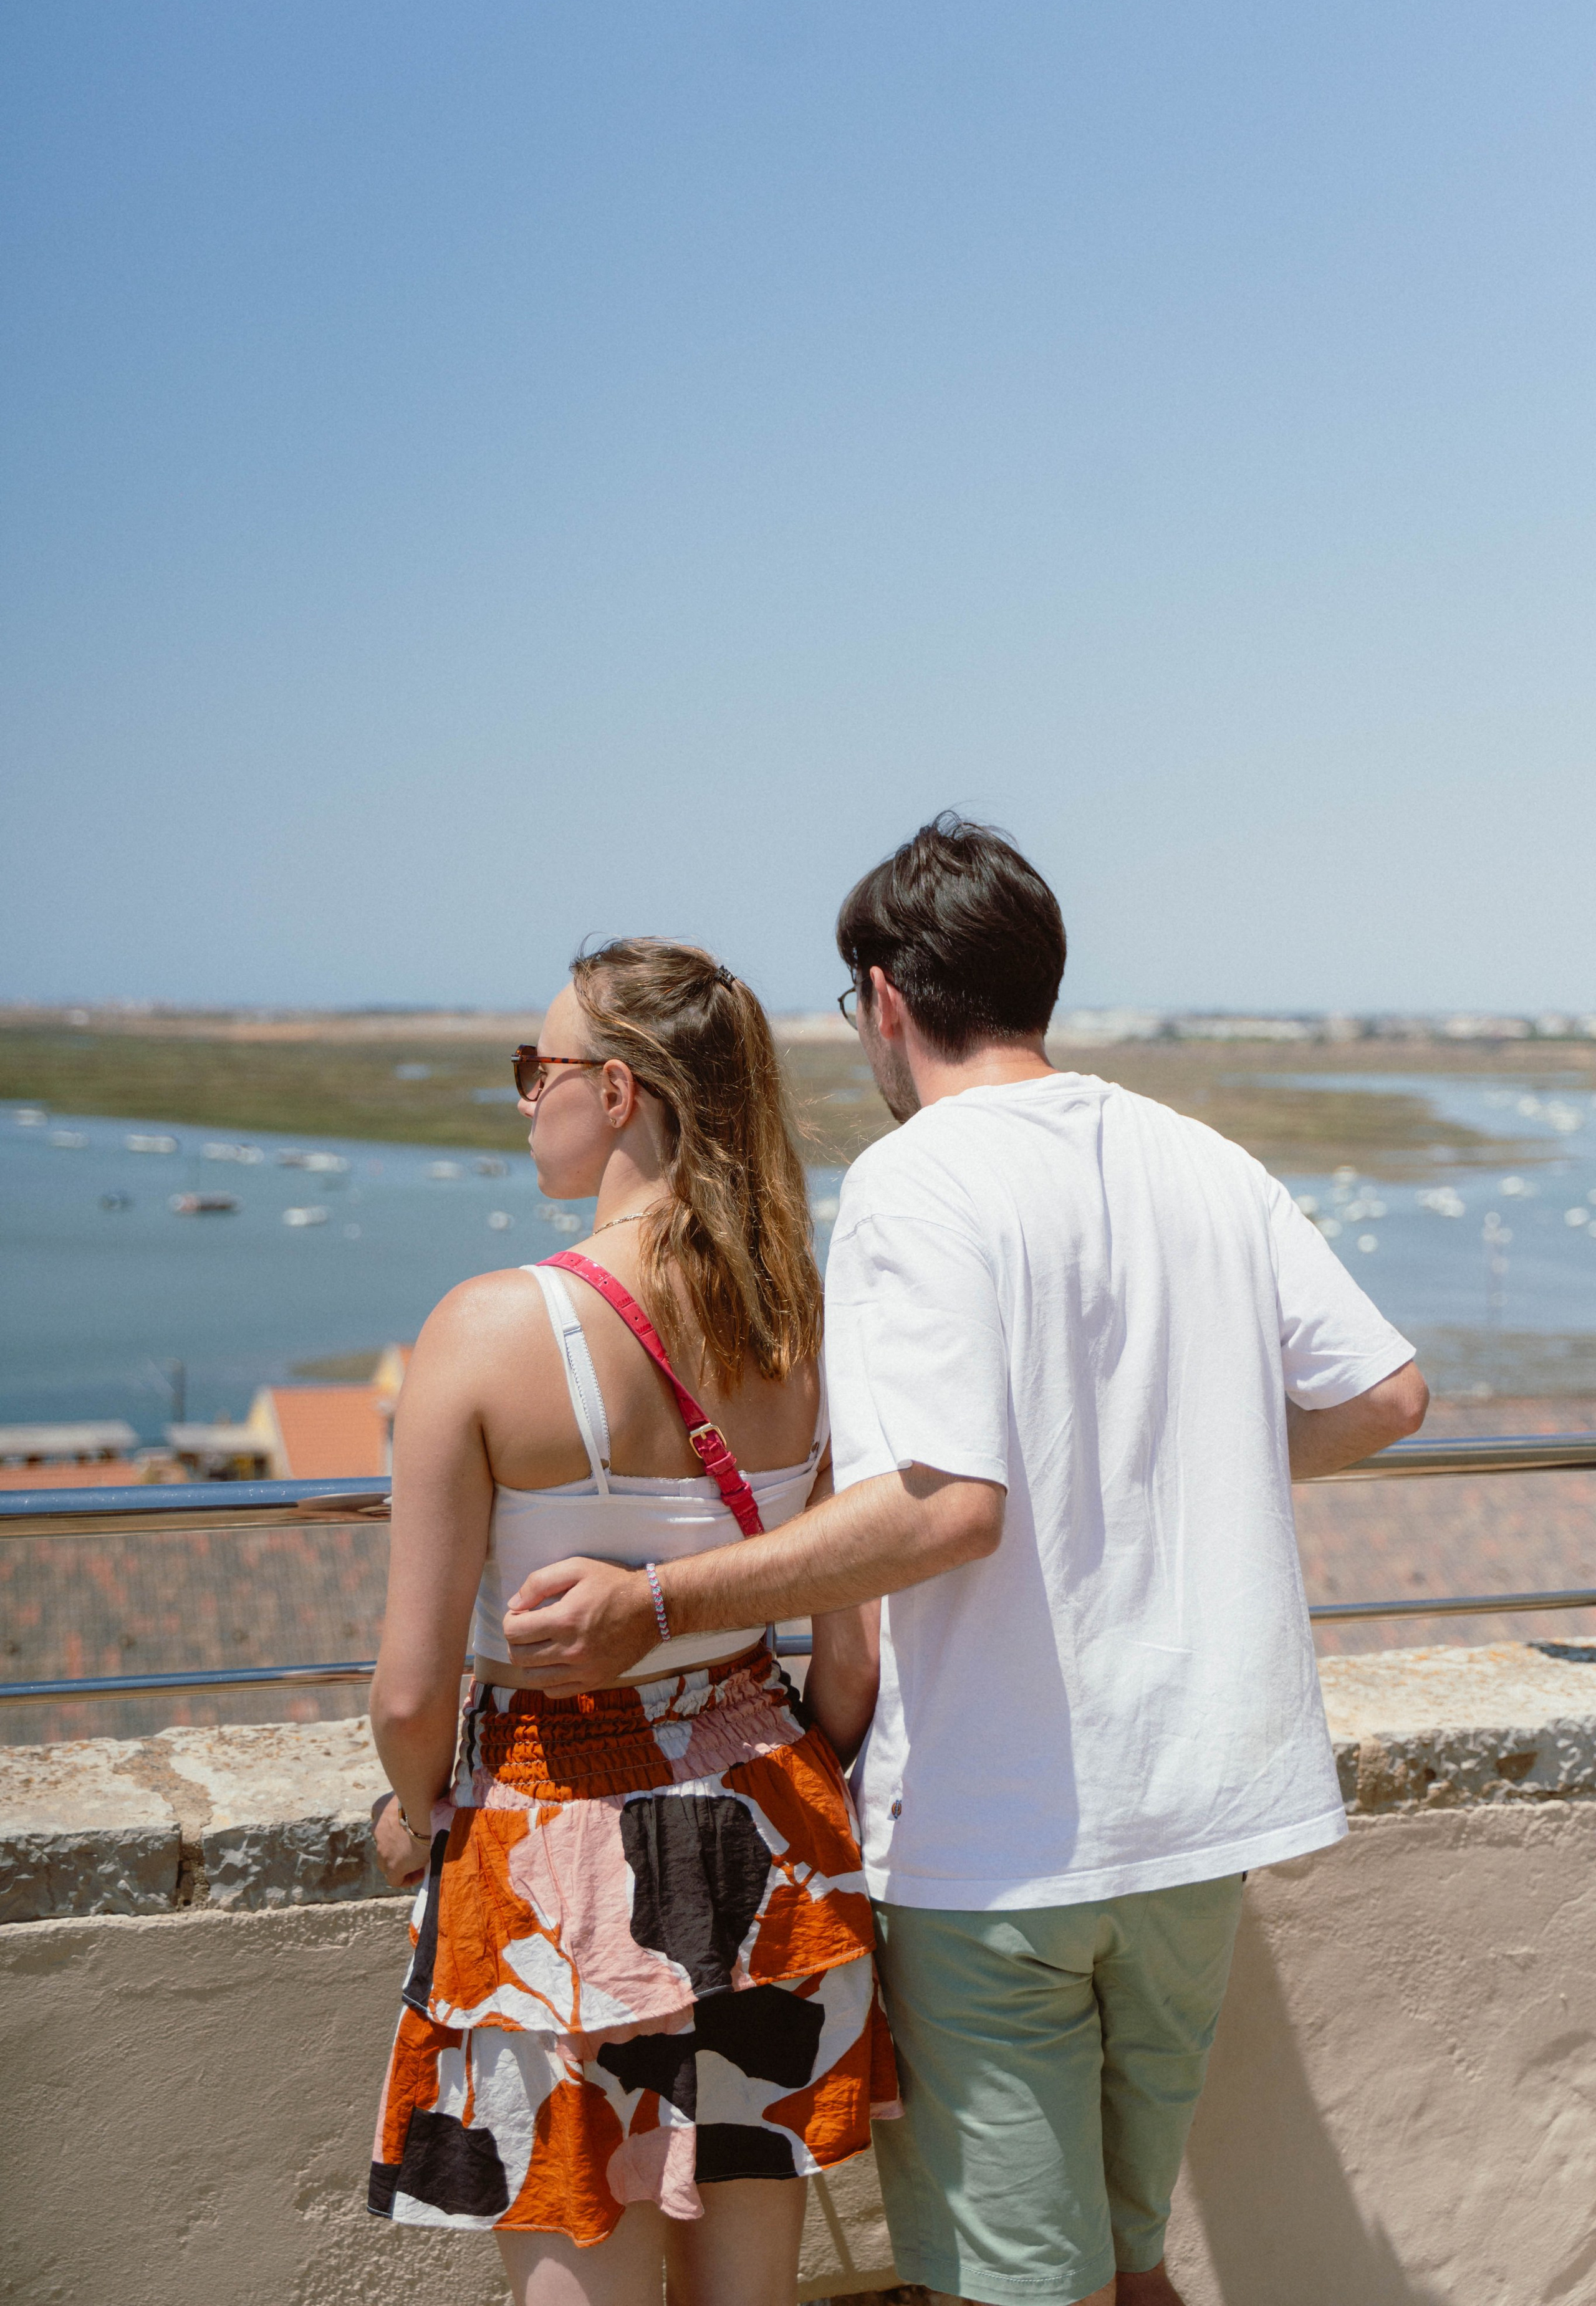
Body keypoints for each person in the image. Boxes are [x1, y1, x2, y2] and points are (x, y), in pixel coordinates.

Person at [501, 817, 1430, 2306]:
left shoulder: (916, 1178)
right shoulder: (1198, 1154)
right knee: (1127, 2262)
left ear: (883, 998)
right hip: (1204, 1813)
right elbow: (1383, 1397)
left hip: (1002, 1837)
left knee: (1018, 2284)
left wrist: (655, 1602)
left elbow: (938, 1512)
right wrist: (1167, 1463)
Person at [365, 938, 897, 2306]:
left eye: (532, 1068)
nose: (521, 1097)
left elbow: (412, 1691)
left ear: (615, 1093)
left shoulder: (489, 1327)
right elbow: (848, 1654)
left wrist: (412, 1809)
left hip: (554, 1838)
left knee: (577, 2258)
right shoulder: (798, 1321)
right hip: (773, 1825)